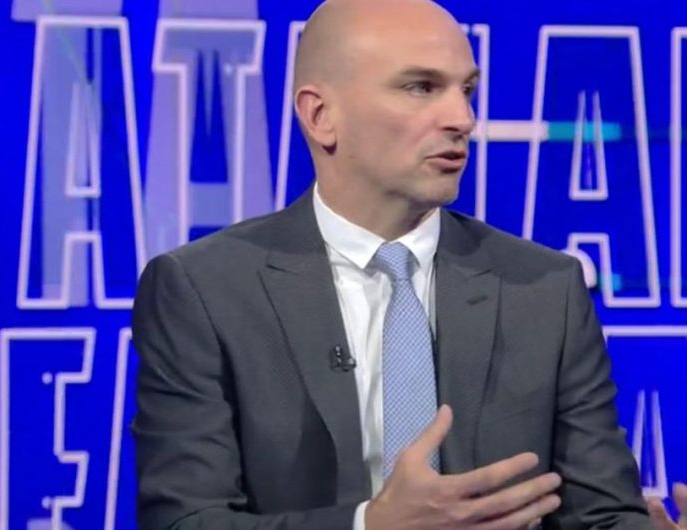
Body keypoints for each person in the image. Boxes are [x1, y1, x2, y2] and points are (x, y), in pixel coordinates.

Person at [131, 0, 686, 528]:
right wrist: (370, 526)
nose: (462, 118)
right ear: (321, 116)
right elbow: (185, 520)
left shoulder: (544, 289)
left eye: (467, 90)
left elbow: (598, 515)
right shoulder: (204, 291)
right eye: (421, 87)